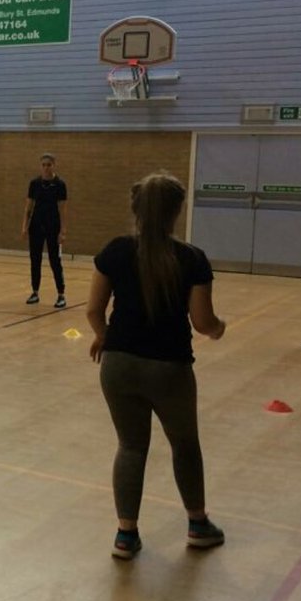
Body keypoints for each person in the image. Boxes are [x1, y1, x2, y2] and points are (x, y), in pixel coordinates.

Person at [86, 172, 226, 560]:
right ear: (176, 211)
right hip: (169, 369)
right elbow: (202, 322)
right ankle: (198, 524)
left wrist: (104, 335)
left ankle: (125, 536)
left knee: (130, 446)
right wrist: (219, 329)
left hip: (118, 366)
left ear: (136, 209)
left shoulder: (115, 251)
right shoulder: (191, 258)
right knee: (184, 446)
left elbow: (94, 311)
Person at [21, 153, 68, 308]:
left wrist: (62, 231)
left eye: (49, 164)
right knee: (35, 260)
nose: (46, 167)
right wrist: (24, 227)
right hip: (36, 226)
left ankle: (61, 294)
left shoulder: (60, 185)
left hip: (53, 227)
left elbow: (62, 210)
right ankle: (35, 292)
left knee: (55, 261)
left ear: (54, 165)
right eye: (44, 165)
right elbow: (28, 207)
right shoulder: (34, 183)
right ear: (40, 166)